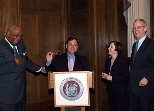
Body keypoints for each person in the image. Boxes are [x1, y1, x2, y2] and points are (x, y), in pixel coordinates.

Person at [0, 25, 46, 111]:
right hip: (8, 96)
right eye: (16, 35)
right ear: (8, 33)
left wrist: (40, 69)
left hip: (21, 93)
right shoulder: (1, 47)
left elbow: (26, 61)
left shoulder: (21, 45)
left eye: (20, 36)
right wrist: (14, 63)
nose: (19, 38)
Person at [45, 37, 90, 111]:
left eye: (75, 45)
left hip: (79, 95)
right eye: (70, 44)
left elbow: (88, 75)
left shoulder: (83, 60)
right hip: (62, 94)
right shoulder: (58, 59)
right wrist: (48, 62)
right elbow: (49, 70)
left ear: (77, 47)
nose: (72, 47)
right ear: (66, 46)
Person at [128, 19, 154, 111]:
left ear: (145, 28)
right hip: (133, 87)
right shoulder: (135, 45)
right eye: (134, 28)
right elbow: (134, 62)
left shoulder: (151, 44)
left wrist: (147, 77)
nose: (136, 30)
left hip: (145, 88)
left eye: (138, 27)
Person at [101, 41, 129, 111]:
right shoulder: (107, 61)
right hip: (111, 91)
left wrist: (111, 78)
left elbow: (126, 77)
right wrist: (105, 76)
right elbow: (108, 76)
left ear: (117, 50)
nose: (108, 48)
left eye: (111, 47)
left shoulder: (123, 60)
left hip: (121, 92)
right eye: (109, 47)